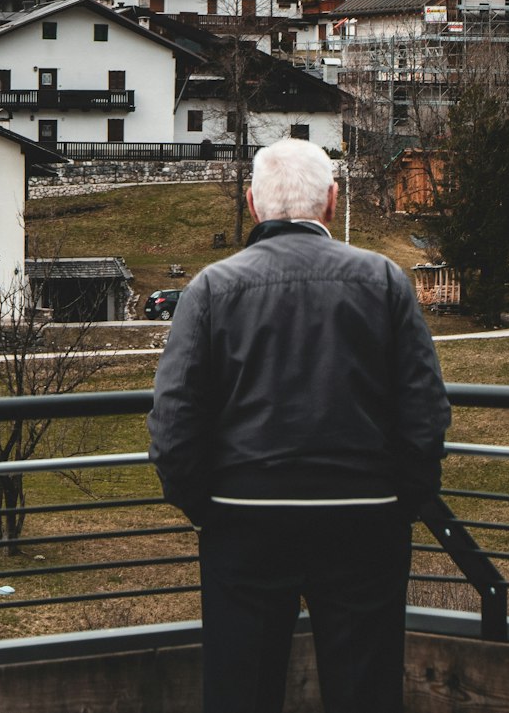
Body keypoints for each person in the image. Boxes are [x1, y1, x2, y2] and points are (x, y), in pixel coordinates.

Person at [148, 138, 450, 713]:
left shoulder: (211, 289)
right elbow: (425, 414)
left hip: (244, 520)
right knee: (365, 691)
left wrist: (207, 507)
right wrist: (399, 501)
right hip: (365, 519)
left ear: (253, 205)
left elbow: (175, 424)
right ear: (332, 202)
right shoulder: (384, 280)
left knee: (242, 688)